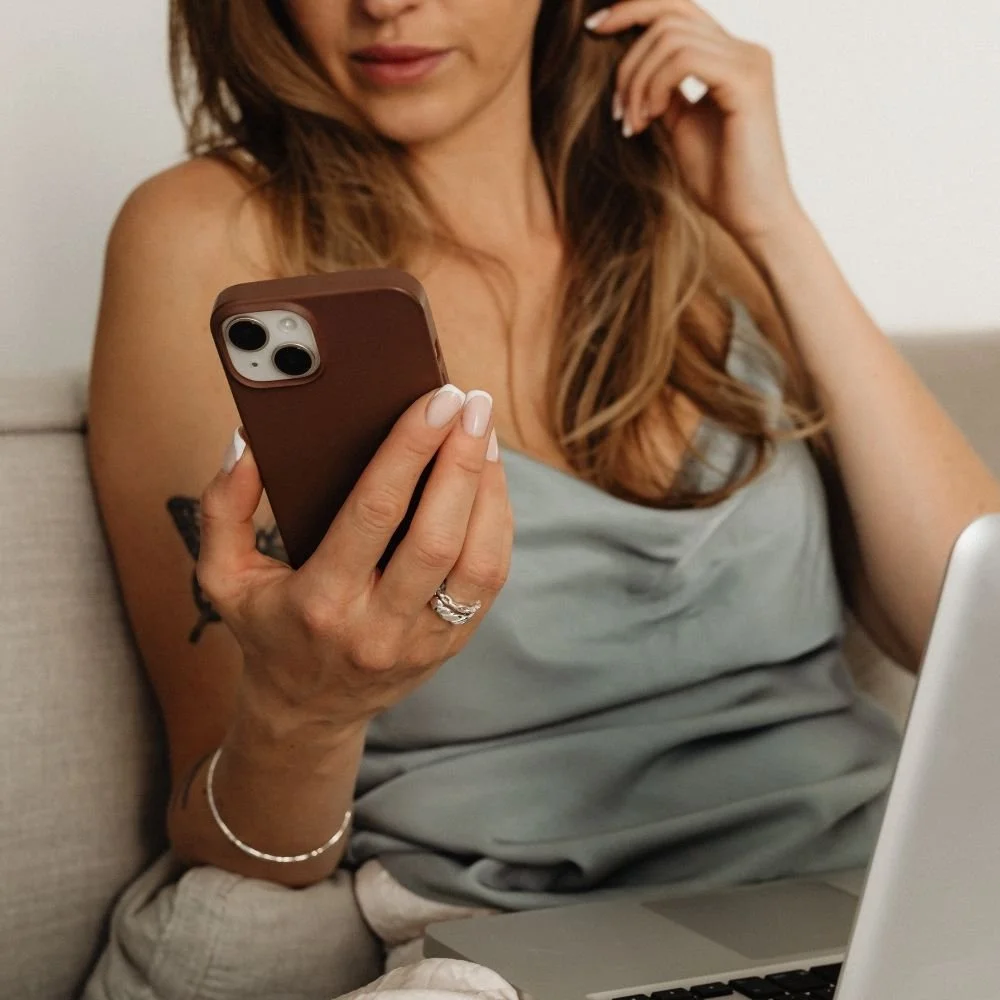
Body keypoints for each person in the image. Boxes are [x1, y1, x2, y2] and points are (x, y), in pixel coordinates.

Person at [83, 0, 1000, 997]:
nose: (386, 3)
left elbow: (965, 630)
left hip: (874, 900)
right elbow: (241, 841)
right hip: (517, 941)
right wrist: (310, 708)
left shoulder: (689, 217)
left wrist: (772, 217)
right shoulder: (209, 233)